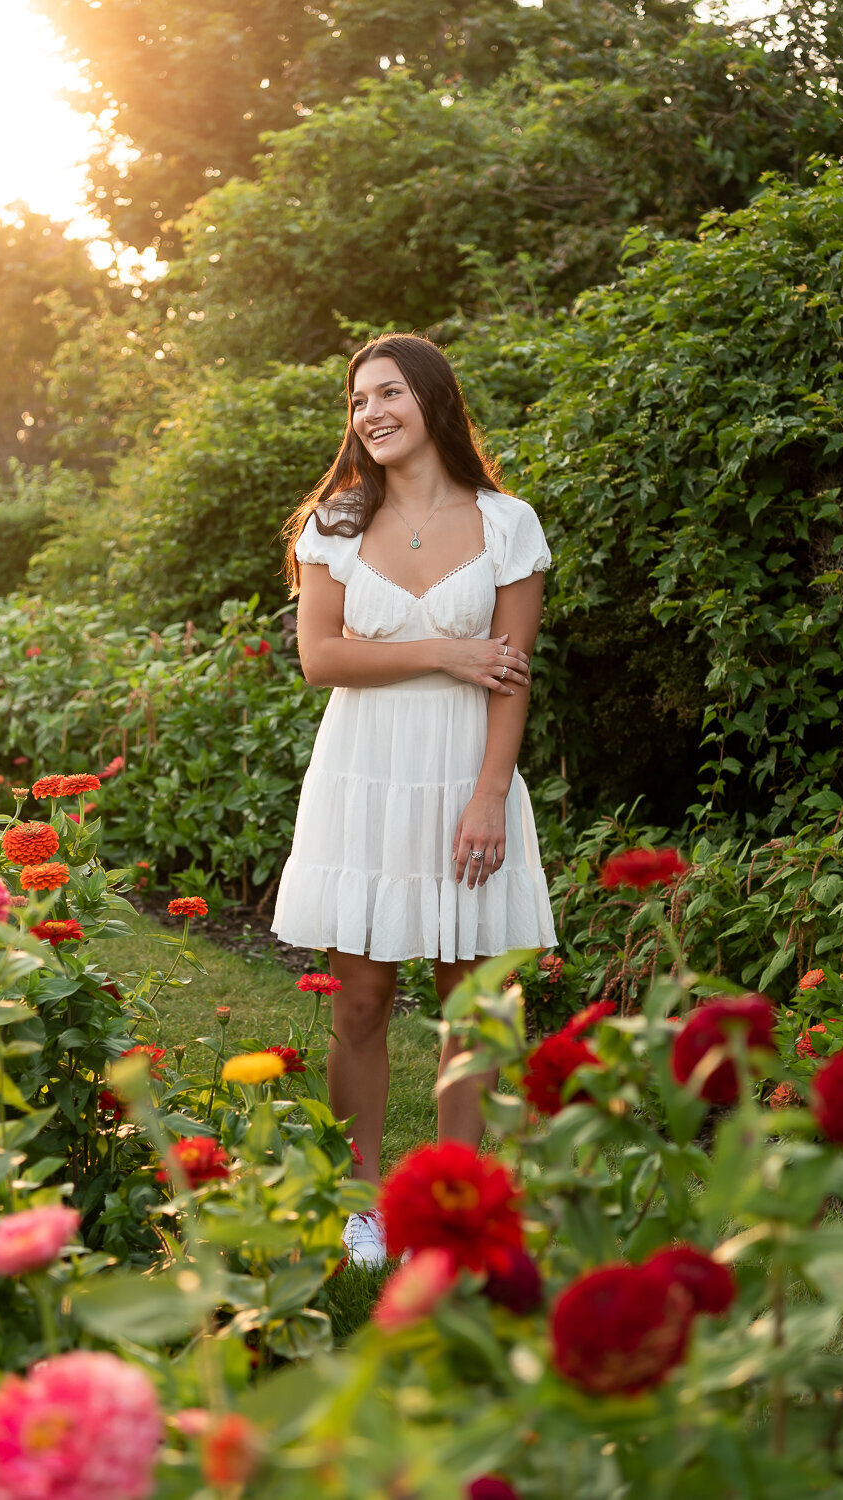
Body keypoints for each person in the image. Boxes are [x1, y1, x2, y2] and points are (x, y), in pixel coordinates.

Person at [272, 333, 556, 1265]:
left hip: (463, 777)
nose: (370, 414)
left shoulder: (509, 523)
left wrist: (487, 799)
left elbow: (511, 677)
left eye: (387, 393)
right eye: (357, 401)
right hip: (362, 778)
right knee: (359, 1001)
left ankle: (453, 1202)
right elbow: (321, 659)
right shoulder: (335, 524)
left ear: (431, 399)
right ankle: (363, 1208)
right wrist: (443, 650)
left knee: (471, 1003)